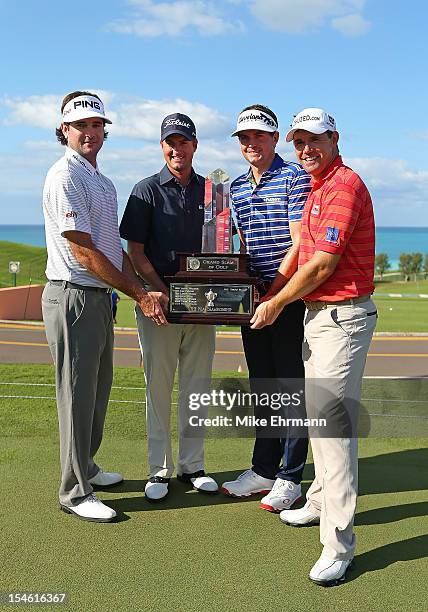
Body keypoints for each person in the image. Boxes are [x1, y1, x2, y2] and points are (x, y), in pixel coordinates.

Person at [251, 108, 376, 586]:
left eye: (315, 141)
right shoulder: (319, 187)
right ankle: (320, 500)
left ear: (335, 139)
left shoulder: (344, 185)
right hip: (319, 317)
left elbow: (323, 264)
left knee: (333, 431)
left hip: (341, 317)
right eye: (298, 142)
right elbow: (301, 250)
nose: (305, 150)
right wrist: (273, 294)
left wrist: (276, 302)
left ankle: (338, 544)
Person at [42, 90, 167, 523]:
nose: (90, 132)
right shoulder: (65, 176)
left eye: (97, 125)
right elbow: (84, 252)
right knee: (76, 395)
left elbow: (112, 251)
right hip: (73, 295)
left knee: (96, 391)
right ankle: (75, 492)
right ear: (65, 130)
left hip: (98, 298)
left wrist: (143, 284)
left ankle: (87, 468)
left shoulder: (101, 180)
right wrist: (140, 293)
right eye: (81, 126)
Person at [120, 113, 218, 501]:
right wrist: (159, 293)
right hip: (159, 307)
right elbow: (136, 252)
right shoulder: (145, 190)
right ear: (163, 147)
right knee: (157, 388)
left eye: (184, 142)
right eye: (170, 143)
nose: (177, 149)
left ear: (195, 146)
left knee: (197, 387)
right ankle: (158, 470)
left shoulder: (213, 191)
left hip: (203, 308)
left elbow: (222, 247)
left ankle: (192, 466)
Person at [221, 104, 312, 513]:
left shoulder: (295, 178)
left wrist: (274, 295)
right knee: (263, 384)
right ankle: (264, 468)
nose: (251, 143)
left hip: (287, 297)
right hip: (253, 299)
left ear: (275, 138)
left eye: (259, 135)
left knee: (290, 386)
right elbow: (237, 245)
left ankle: (291, 477)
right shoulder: (237, 187)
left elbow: (298, 245)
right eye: (244, 137)